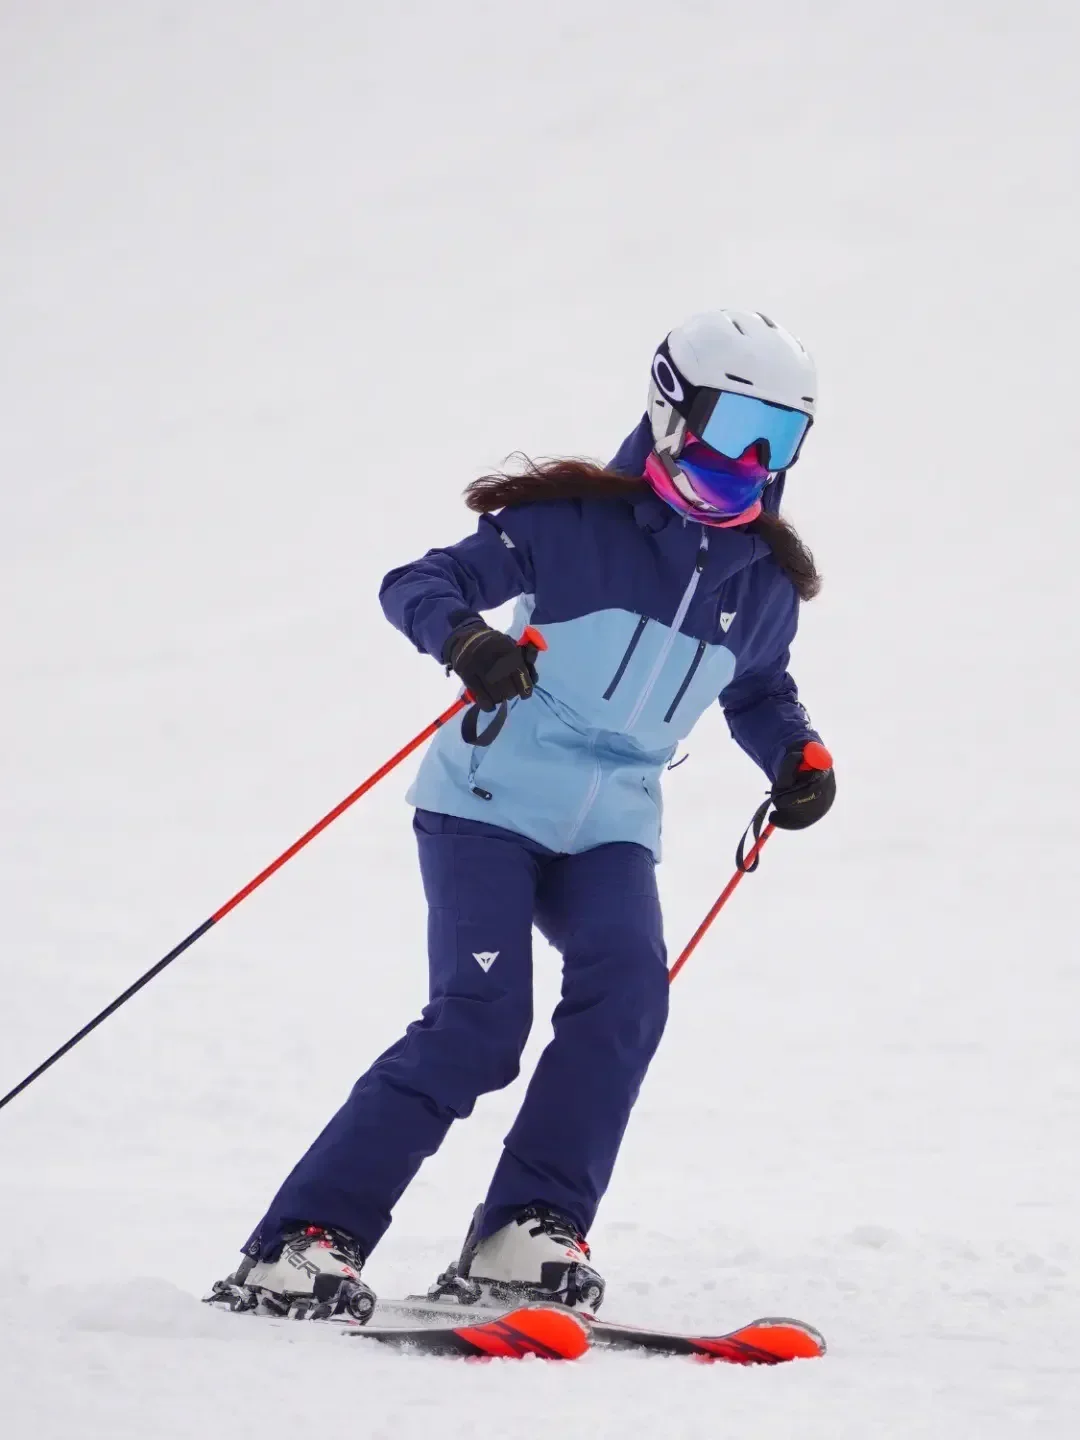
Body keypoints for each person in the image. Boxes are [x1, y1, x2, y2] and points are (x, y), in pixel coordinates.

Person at [208, 308, 836, 1323]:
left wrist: (797, 757)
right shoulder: (568, 528)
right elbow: (422, 581)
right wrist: (464, 641)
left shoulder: (761, 587)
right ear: (672, 413)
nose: (754, 463)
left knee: (628, 997)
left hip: (612, 827)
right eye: (736, 430)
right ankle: (299, 1243)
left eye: (783, 441)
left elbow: (758, 690)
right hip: (488, 806)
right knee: (478, 1026)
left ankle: (525, 1229)